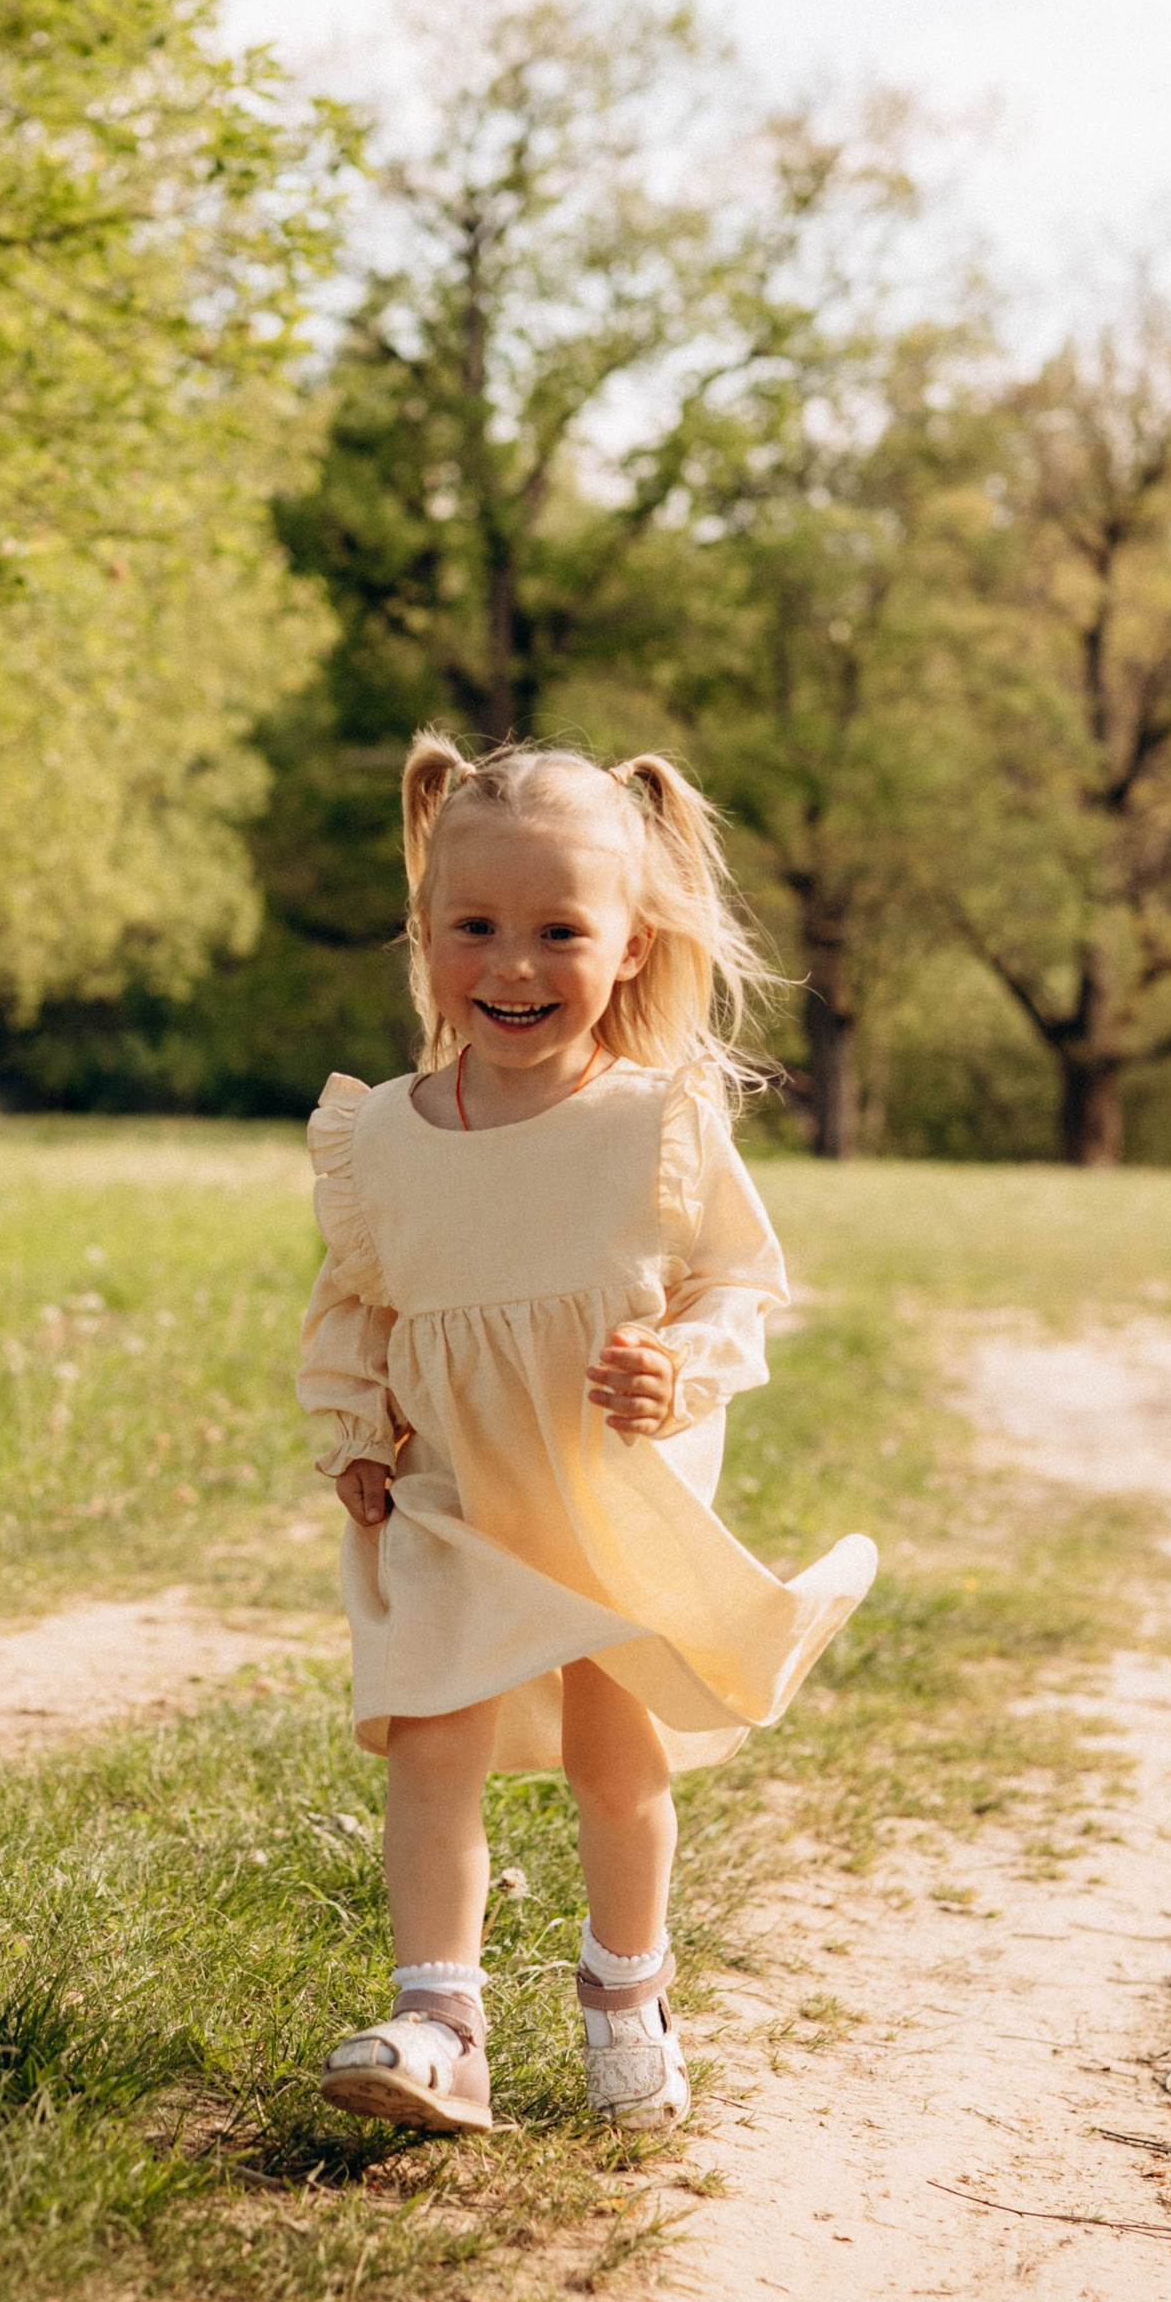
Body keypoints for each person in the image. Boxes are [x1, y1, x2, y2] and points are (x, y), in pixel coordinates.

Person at [298, 729, 877, 2139]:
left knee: (621, 1772)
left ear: (631, 946)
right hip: (452, 1496)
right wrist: (358, 1429)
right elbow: (356, 1303)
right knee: (429, 1740)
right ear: (425, 932)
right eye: (474, 927)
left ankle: (627, 1991)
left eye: (559, 930)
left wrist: (677, 1367)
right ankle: (441, 2022)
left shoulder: (653, 1124)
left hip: (609, 1500)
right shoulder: (383, 1138)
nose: (511, 966)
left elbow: (739, 1279)